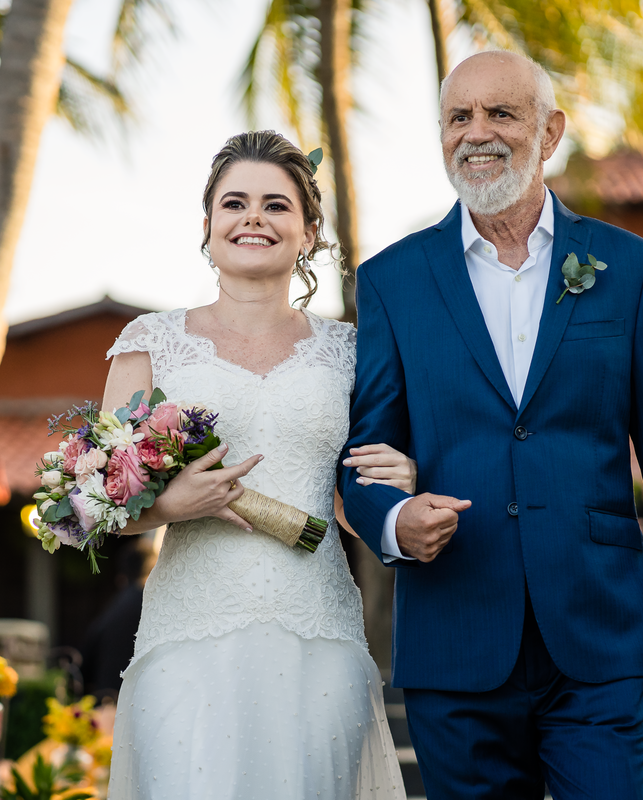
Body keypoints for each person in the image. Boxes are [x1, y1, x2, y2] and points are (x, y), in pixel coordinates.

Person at [337, 51, 643, 799]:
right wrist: (393, 524)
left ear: (549, 132)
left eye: (500, 113)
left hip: (599, 635)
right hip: (455, 636)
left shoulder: (630, 266)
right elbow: (364, 459)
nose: (476, 133)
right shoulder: (391, 282)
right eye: (458, 117)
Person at [104, 130, 412, 799]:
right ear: (208, 225)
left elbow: (360, 505)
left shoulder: (353, 352)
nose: (252, 217)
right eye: (234, 202)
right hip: (187, 634)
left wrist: (403, 491)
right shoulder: (149, 343)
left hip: (319, 635)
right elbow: (103, 511)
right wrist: (170, 505)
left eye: (276, 205)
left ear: (307, 232)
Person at [81, 535, 157, 702]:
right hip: (136, 698)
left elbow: (87, 655)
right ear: (152, 568)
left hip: (106, 696)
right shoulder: (153, 604)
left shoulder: (114, 607)